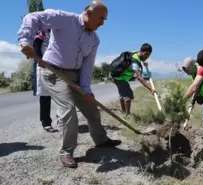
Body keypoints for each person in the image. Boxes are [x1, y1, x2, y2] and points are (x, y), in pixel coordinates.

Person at [18, 1, 122, 168]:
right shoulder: (65, 19)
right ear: (88, 13)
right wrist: (25, 41)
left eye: (104, 20)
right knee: (68, 110)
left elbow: (87, 67)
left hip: (75, 76)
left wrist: (86, 90)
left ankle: (101, 140)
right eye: (101, 18)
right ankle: (66, 152)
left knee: (91, 108)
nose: (102, 23)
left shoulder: (94, 39)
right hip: (54, 73)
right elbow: (33, 17)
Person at [112, 43, 156, 116]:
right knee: (128, 97)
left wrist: (143, 61)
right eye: (146, 54)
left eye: (149, 55)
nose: (147, 56)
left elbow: (139, 58)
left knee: (122, 94)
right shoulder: (135, 62)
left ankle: (123, 112)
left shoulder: (135, 53)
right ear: (141, 51)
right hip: (120, 78)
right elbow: (139, 78)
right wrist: (150, 88)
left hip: (117, 75)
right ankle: (127, 115)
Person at [32, 29, 57, 133]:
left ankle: (62, 120)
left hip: (57, 65)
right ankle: (46, 122)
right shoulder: (41, 33)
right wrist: (41, 61)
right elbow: (36, 48)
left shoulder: (57, 32)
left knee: (61, 94)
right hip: (43, 65)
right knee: (45, 96)